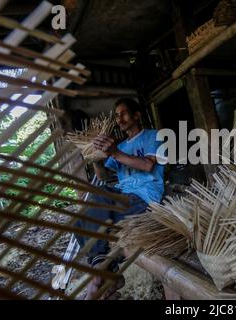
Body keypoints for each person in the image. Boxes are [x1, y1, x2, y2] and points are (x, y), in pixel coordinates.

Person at [74, 98, 165, 299]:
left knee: (98, 200)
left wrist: (115, 152)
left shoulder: (154, 136)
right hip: (124, 197)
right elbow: (103, 177)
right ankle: (105, 270)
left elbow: (148, 166)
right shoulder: (121, 145)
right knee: (79, 218)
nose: (119, 119)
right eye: (116, 115)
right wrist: (95, 159)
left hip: (144, 197)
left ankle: (103, 273)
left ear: (136, 115)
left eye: (123, 113)